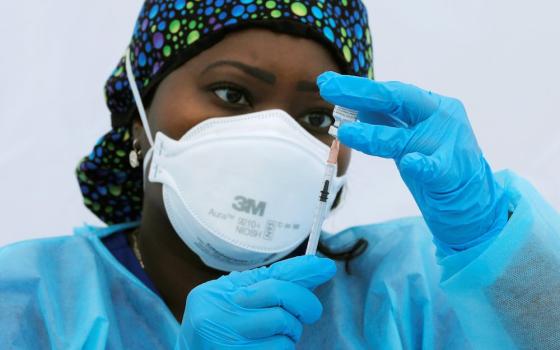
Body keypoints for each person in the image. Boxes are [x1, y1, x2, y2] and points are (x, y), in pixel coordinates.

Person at [1, 0, 559, 349]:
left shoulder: (411, 293)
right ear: (140, 115)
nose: (273, 140)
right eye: (232, 94)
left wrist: (499, 249)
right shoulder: (26, 303)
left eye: (317, 117)